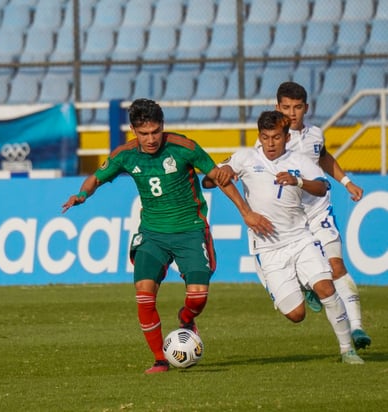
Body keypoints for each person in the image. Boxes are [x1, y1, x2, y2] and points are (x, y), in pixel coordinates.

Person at [62, 98, 272, 374]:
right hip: (152, 235)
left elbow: (220, 179)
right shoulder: (125, 155)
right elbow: (96, 178)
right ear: (134, 131)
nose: (151, 139)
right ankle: (160, 359)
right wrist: (82, 195)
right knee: (144, 293)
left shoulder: (185, 148)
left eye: (155, 131)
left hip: (190, 230)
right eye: (144, 133)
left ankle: (186, 320)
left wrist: (246, 212)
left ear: (162, 126)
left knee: (198, 298)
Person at [202, 110, 364, 364]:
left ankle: (347, 350)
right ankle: (298, 285)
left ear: (286, 138)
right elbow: (209, 182)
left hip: (300, 239)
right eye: (265, 137)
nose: (270, 143)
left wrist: (297, 181)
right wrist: (222, 174)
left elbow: (322, 187)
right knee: (296, 314)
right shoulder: (245, 157)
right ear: (259, 136)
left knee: (326, 288)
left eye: (276, 137)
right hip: (268, 249)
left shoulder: (300, 161)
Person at [274, 81, 371, 350]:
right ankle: (307, 285)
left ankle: (358, 327)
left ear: (306, 107)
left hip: (318, 210)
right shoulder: (274, 139)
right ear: (277, 107)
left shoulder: (315, 135)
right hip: (291, 220)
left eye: (296, 107)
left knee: (337, 266)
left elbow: (324, 158)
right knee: (316, 281)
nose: (292, 113)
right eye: (286, 107)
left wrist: (347, 182)